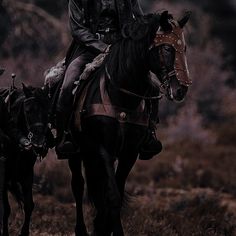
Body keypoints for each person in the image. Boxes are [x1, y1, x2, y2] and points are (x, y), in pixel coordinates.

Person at [56, 0, 162, 159]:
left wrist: (155, 23)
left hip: (122, 50)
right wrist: (103, 47)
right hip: (88, 50)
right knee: (68, 84)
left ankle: (149, 133)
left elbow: (139, 20)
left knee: (152, 84)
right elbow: (78, 30)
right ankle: (65, 135)